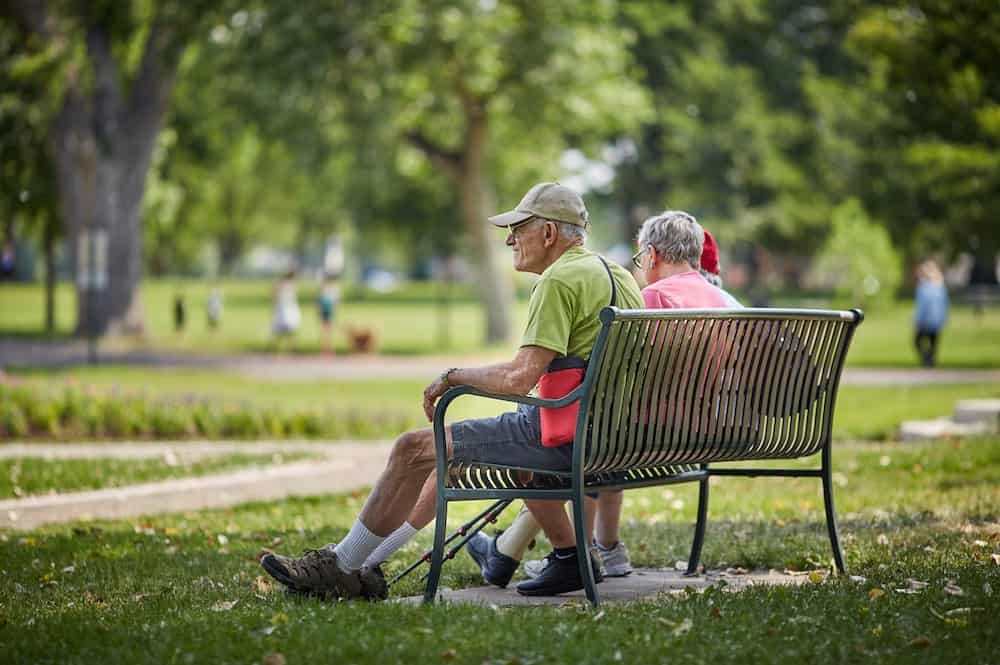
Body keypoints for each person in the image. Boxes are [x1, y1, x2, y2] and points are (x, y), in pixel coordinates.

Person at [258, 182, 643, 600]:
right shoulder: (618, 275)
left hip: (566, 438)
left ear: (549, 234)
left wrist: (454, 377)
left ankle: (341, 567)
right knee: (449, 448)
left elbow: (518, 379)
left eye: (518, 228)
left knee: (413, 449)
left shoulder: (559, 281)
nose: (510, 238)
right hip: (617, 440)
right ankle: (570, 558)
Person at [502, 210, 732, 595]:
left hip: (649, 433)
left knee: (579, 428)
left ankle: (583, 549)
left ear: (653, 255)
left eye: (642, 260)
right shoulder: (716, 297)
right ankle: (602, 547)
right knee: (593, 429)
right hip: (704, 430)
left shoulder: (655, 297)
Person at [913, 259, 948, 367]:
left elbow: (922, 307)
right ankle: (930, 360)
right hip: (937, 320)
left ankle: (927, 358)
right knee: (933, 342)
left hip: (926, 320)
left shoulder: (923, 288)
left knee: (918, 341)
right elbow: (945, 305)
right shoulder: (940, 287)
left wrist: (918, 320)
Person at [272, 270, 301, 342]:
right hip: (285, 307)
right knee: (285, 326)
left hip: (287, 307)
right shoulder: (286, 284)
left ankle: (289, 344)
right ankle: (289, 344)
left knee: (286, 327)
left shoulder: (286, 283)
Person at [317, 273, 340, 355]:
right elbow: (320, 300)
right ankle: (325, 349)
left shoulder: (328, 288)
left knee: (327, 330)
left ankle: (328, 349)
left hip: (328, 309)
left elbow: (336, 301)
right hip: (327, 309)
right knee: (326, 330)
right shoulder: (330, 288)